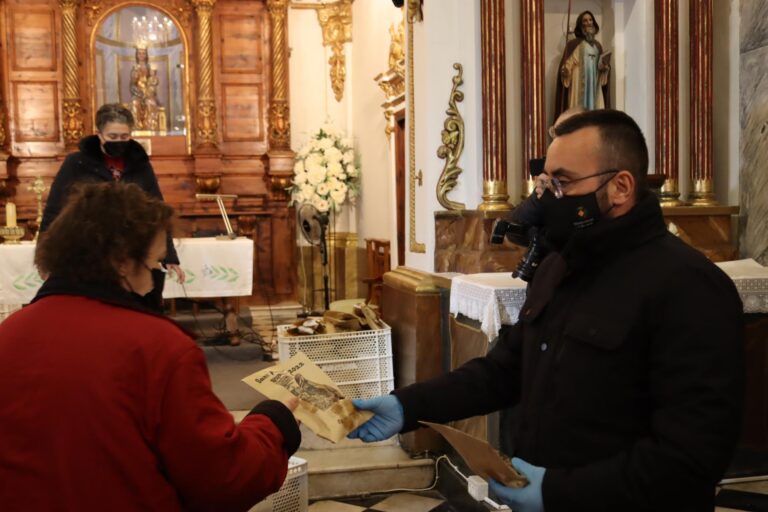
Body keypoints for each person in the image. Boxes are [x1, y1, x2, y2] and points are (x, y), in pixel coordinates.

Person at [350, 110, 744, 511]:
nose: (545, 197)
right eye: (545, 182)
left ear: (621, 186)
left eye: (563, 182)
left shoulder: (689, 286)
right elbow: (504, 370)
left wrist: (556, 493)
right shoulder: (559, 267)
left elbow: (690, 458)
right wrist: (409, 405)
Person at [0, 182, 301, 511]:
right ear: (122, 263)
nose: (157, 279)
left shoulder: (9, 333)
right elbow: (223, 478)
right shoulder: (159, 347)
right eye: (156, 264)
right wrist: (275, 422)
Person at [40, 102, 183, 312]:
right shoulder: (76, 163)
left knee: (137, 311)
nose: (119, 142)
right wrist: (45, 258)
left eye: (124, 137)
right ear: (99, 134)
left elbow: (157, 211)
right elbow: (54, 210)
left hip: (134, 253)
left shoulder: (140, 164)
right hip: (89, 252)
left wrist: (169, 256)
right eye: (112, 137)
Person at [554, 11, 611, 123]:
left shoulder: (598, 46)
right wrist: (565, 71)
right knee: (578, 118)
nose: (588, 23)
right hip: (578, 86)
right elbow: (568, 65)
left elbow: (602, 70)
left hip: (594, 87)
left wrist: (604, 68)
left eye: (590, 20)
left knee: (596, 119)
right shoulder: (573, 45)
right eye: (585, 20)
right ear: (580, 26)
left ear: (594, 23)